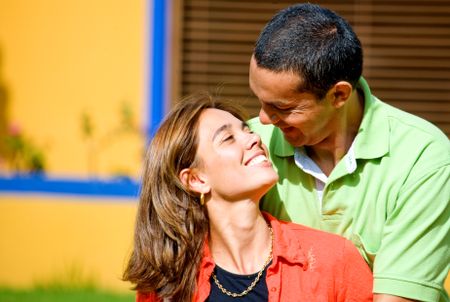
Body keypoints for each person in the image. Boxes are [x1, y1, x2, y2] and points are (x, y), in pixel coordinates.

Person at [247, 3, 450, 302]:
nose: (263, 119)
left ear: (339, 95)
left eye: (282, 108)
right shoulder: (248, 146)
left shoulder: (423, 157)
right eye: (260, 101)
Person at [123, 94, 373, 301]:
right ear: (196, 180)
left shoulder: (334, 261)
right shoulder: (168, 282)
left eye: (247, 131)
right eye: (228, 138)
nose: (254, 138)